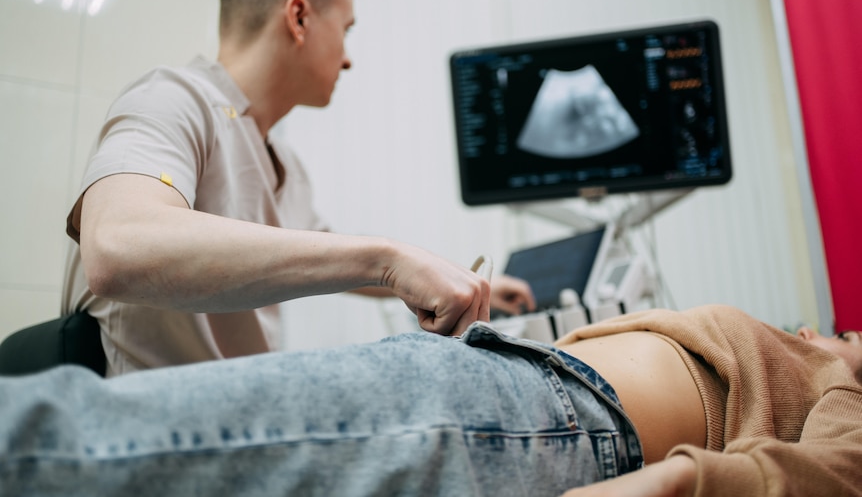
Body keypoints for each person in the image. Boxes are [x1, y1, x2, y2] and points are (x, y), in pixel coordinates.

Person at [61, 0, 534, 376]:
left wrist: (447, 275)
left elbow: (328, 256)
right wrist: (387, 259)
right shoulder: (172, 99)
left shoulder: (284, 164)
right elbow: (116, 246)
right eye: (345, 28)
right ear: (299, 17)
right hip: (148, 434)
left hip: (240, 417)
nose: (348, 57)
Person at [1, 303, 860, 496]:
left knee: (95, 445)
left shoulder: (852, 378)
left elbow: (818, 477)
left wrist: (674, 485)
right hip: (513, 404)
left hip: (531, 416)